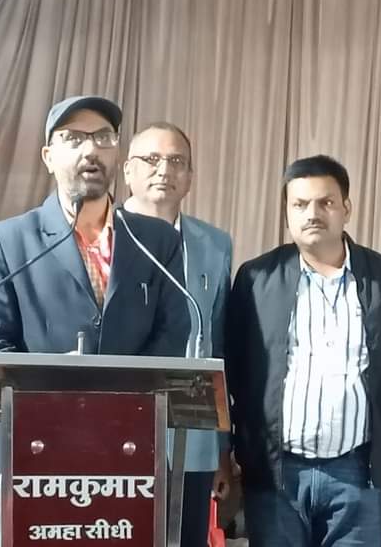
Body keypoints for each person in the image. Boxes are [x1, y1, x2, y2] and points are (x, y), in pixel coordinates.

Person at [0, 95, 190, 516]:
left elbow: (173, 337)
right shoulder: (6, 242)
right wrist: (56, 381)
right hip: (34, 458)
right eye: (73, 138)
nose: (91, 150)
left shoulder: (156, 242)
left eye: (103, 137)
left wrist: (114, 401)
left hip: (132, 460)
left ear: (117, 152)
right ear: (48, 157)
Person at [225, 155, 381, 547]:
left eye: (325, 202)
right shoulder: (256, 278)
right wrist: (228, 452)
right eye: (300, 204)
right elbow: (233, 373)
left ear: (346, 208)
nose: (312, 214)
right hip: (276, 474)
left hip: (357, 473)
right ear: (287, 212)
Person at [122, 122, 235, 547]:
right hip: (117, 432)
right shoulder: (103, 235)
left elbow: (218, 347)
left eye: (176, 161)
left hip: (192, 437)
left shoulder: (214, 244)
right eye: (151, 159)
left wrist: (222, 446)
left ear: (189, 176)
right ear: (127, 170)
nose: (163, 170)